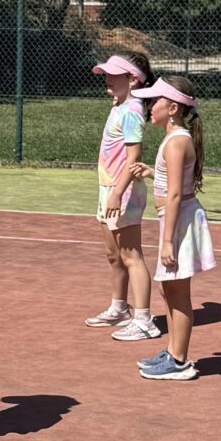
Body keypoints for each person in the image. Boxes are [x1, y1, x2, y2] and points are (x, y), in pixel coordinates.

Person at [133, 79, 215, 380]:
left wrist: (167, 241)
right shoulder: (173, 139)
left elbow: (177, 194)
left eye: (154, 101)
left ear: (172, 108)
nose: (148, 107)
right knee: (167, 289)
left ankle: (179, 361)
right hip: (174, 219)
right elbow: (173, 181)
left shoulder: (177, 141)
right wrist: (152, 173)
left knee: (177, 292)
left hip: (178, 222)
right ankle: (172, 351)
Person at [87, 51, 160, 343]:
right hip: (109, 189)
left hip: (124, 191)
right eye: (106, 73)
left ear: (132, 80)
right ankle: (119, 309)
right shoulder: (120, 105)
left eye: (113, 74)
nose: (106, 78)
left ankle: (144, 320)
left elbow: (134, 158)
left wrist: (117, 192)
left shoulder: (132, 111)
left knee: (131, 256)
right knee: (113, 255)